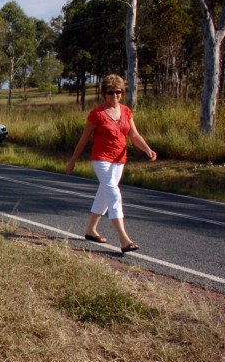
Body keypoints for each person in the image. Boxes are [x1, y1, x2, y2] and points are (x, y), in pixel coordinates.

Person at [66, 74, 157, 254]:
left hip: (119, 160)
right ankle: (124, 240)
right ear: (104, 93)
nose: (115, 95)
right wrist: (72, 161)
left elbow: (134, 135)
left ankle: (91, 230)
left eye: (118, 92)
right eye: (110, 92)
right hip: (101, 159)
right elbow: (83, 139)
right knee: (114, 195)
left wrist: (147, 149)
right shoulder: (97, 114)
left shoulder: (126, 111)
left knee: (105, 194)